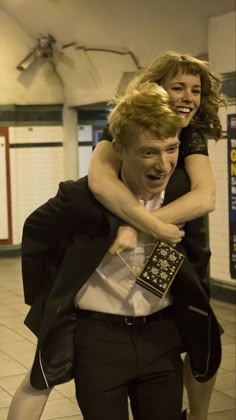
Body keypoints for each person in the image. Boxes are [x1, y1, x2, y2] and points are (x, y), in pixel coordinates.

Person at [7, 82, 221, 420]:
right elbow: (36, 233)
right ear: (119, 148)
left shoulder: (182, 191)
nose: (164, 164)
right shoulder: (80, 198)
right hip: (99, 340)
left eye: (171, 149)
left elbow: (195, 254)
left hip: (160, 336)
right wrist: (49, 296)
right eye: (149, 152)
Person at [88, 51, 225, 420]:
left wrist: (140, 225)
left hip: (179, 243)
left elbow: (205, 196)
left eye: (195, 90)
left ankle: (197, 415)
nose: (188, 97)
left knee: (200, 336)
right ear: (156, 89)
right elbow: (99, 181)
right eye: (177, 87)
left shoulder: (191, 134)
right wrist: (141, 224)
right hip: (138, 243)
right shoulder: (124, 126)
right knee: (155, 325)